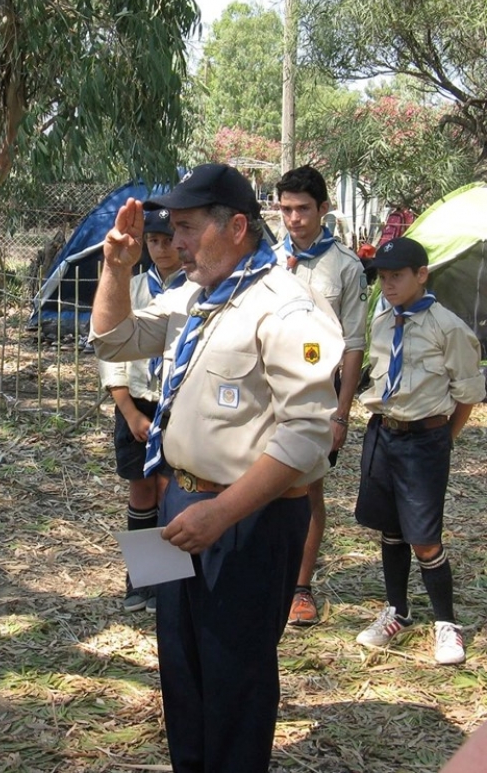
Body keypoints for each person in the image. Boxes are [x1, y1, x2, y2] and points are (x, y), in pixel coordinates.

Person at [91, 163, 343, 773]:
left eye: (185, 229)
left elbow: (308, 437)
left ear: (235, 227)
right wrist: (115, 268)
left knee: (236, 676)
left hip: (246, 518)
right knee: (182, 666)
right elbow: (114, 340)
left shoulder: (286, 308)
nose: (174, 243)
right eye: (170, 229)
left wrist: (221, 514)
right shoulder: (196, 294)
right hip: (183, 505)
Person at [354, 237, 482, 665]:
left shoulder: (448, 328)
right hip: (384, 432)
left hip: (425, 438)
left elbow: (466, 393)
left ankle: (447, 624)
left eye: (397, 276)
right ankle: (397, 610)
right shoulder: (383, 316)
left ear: (421, 275)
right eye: (383, 277)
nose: (387, 285)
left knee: (424, 537)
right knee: (389, 527)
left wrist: (445, 437)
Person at [274, 165, 368, 627]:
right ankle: (266, 576)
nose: (294, 219)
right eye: (286, 209)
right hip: (269, 388)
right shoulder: (267, 259)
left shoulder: (345, 267)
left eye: (303, 209)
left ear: (324, 209)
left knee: (306, 486)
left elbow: (353, 344)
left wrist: (341, 413)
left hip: (319, 392)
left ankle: (300, 587)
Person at [97, 204, 189, 613]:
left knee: (169, 490)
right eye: (153, 240)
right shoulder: (131, 287)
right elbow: (111, 355)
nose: (162, 249)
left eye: (169, 240)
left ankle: (165, 580)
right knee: (141, 488)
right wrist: (129, 413)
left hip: (175, 405)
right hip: (135, 404)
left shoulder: (195, 291)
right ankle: (140, 578)